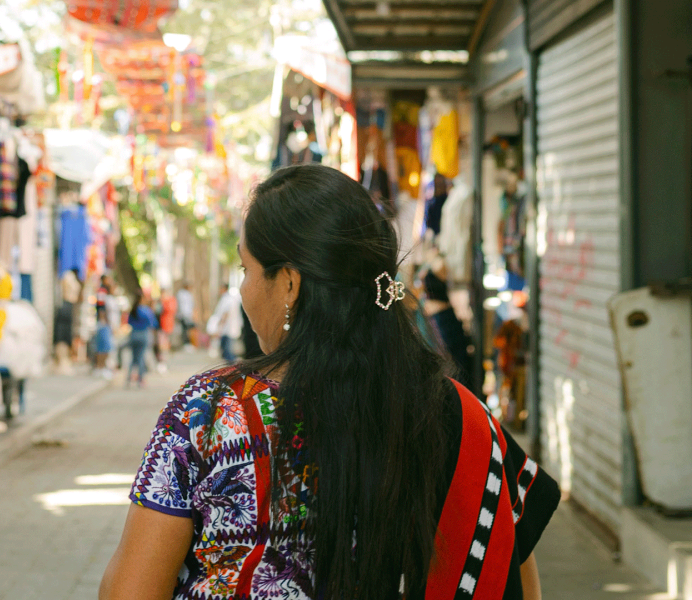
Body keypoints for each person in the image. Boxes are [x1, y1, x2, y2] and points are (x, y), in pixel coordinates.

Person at [101, 165, 559, 600]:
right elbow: (513, 578)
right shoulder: (461, 417)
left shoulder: (210, 413)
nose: (243, 289)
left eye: (246, 270)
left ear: (290, 284)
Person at [125, 295, 157, 388]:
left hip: (133, 335)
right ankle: (140, 380)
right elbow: (153, 323)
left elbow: (128, 322)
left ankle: (128, 379)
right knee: (141, 358)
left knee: (133, 358)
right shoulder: (146, 310)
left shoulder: (133, 310)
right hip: (143, 335)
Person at [210, 283, 243, 363]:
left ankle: (232, 363)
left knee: (227, 348)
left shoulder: (227, 299)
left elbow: (225, 313)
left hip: (228, 326)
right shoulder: (226, 298)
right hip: (228, 327)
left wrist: (220, 325)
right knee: (225, 347)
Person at [176, 281, 195, 349]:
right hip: (183, 315)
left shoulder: (189, 294)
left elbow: (191, 305)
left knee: (188, 329)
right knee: (184, 330)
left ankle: (188, 343)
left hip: (188, 314)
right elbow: (181, 305)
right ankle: (185, 343)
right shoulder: (181, 294)